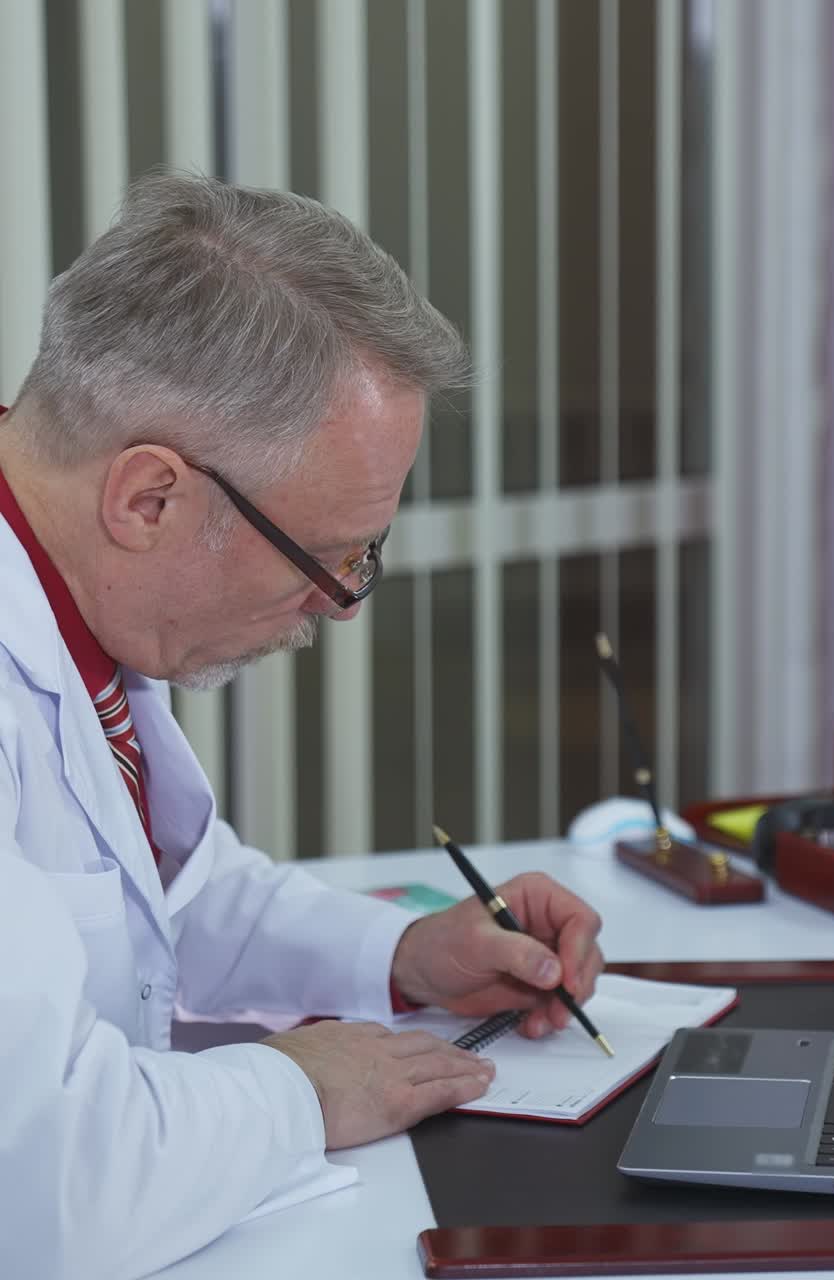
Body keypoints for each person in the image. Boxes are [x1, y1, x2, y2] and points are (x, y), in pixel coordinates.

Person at [0, 172, 606, 1279]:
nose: (337, 604)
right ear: (147, 498)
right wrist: (300, 1087)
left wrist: (405, 952)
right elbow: (44, 1184)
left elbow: (160, 898)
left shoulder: (66, 600)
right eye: (324, 556)